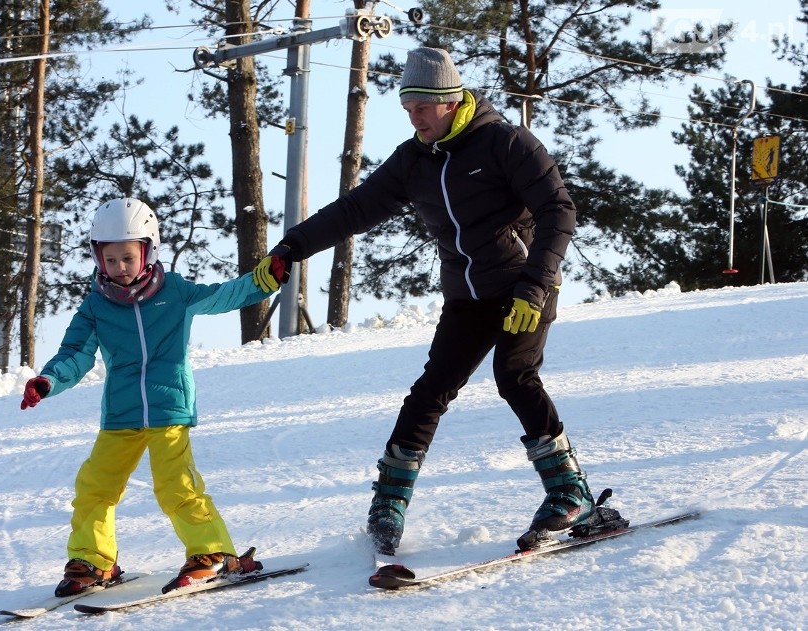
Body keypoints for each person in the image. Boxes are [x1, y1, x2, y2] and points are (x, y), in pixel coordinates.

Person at [253, 47, 616, 555]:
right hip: (467, 295)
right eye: (407, 107)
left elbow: (558, 209)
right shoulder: (413, 161)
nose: (414, 117)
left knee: (515, 376)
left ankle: (568, 492)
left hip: (523, 287)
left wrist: (536, 284)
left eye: (422, 106)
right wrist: (292, 246)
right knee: (429, 392)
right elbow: (356, 208)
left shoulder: (504, 142)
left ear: (450, 101)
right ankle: (389, 502)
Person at [21, 198, 270, 595]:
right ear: (97, 257)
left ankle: (214, 552)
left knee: (175, 485)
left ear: (148, 251)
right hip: (121, 414)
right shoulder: (95, 306)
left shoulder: (175, 292)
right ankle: (93, 560)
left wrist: (263, 280)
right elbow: (75, 353)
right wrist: (48, 380)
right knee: (94, 487)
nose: (119, 267)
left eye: (128, 257)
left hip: (169, 408)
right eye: (111, 258)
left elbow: (223, 295)